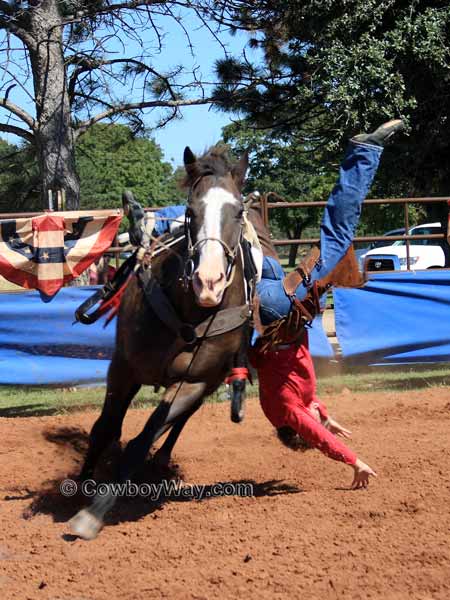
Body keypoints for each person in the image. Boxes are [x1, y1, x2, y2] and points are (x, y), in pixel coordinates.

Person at [125, 119, 404, 489]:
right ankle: (187, 225)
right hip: (268, 296)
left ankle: (363, 153)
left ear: (295, 428)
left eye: (307, 425)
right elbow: (309, 404)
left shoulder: (286, 410)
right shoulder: (295, 404)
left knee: (336, 235)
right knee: (227, 228)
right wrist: (324, 415)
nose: (313, 419)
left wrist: (353, 461)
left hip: (280, 306)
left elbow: (314, 428)